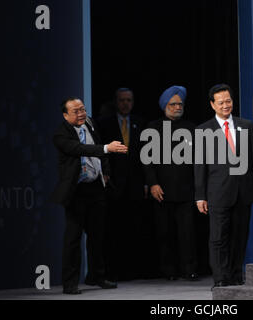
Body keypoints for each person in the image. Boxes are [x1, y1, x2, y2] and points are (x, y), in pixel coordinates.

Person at [195, 84, 253, 288]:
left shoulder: (247, 126)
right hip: (217, 192)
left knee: (239, 236)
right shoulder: (203, 130)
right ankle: (220, 277)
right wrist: (200, 195)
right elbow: (199, 165)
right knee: (218, 238)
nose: (226, 105)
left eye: (228, 101)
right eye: (221, 102)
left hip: (243, 191)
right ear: (212, 105)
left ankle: (236, 275)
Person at [51, 97, 127, 294]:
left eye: (82, 109)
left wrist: (106, 170)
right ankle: (70, 284)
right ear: (65, 115)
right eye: (75, 111)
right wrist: (106, 148)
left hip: (96, 187)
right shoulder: (61, 134)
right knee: (73, 239)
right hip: (76, 191)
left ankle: (96, 276)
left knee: (97, 236)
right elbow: (80, 149)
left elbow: (99, 146)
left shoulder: (90, 123)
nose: (81, 114)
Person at [144, 85, 198, 281]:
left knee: (188, 233)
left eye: (180, 104)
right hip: (161, 189)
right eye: (173, 104)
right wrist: (152, 184)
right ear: (164, 106)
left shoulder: (191, 128)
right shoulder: (153, 127)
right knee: (164, 232)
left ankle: (189, 269)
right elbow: (147, 160)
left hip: (186, 189)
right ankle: (168, 270)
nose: (177, 107)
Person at [97, 88, 149, 281]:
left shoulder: (140, 123)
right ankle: (113, 271)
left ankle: (133, 270)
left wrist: (146, 183)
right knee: (114, 229)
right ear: (116, 102)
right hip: (114, 185)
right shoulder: (105, 123)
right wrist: (105, 173)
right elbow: (102, 151)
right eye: (122, 100)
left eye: (129, 100)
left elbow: (145, 155)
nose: (126, 103)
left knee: (135, 228)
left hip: (135, 185)